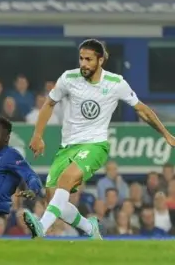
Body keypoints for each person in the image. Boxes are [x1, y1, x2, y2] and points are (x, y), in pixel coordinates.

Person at [24, 38, 175, 239]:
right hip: (67, 146)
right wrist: (37, 135)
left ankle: (41, 227)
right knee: (53, 198)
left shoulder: (116, 83)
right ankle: (90, 228)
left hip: (95, 145)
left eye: (88, 59)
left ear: (100, 60)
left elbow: (142, 110)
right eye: (81, 59)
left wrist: (166, 134)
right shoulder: (68, 78)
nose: (83, 64)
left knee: (66, 180)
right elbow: (49, 104)